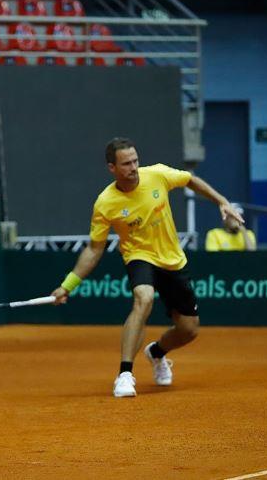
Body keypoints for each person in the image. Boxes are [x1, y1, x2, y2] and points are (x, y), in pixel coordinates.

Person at [50, 137, 243, 398]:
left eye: (135, 161)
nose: (133, 167)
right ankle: (125, 374)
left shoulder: (157, 175)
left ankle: (157, 352)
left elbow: (189, 180)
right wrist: (67, 285)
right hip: (139, 257)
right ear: (112, 168)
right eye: (126, 163)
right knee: (144, 297)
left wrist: (221, 201)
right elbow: (94, 249)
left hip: (173, 260)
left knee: (189, 330)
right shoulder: (105, 203)